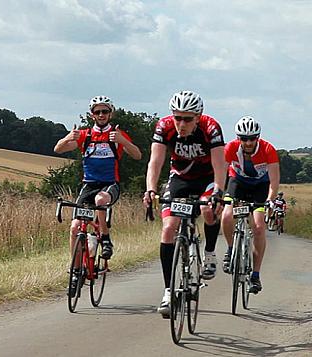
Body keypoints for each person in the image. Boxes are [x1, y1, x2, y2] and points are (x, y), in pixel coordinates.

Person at [143, 90, 226, 318]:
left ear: (198, 117)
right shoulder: (164, 127)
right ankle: (168, 291)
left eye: (187, 119)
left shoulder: (211, 128)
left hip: (207, 178)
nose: (181, 123)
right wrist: (150, 189)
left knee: (208, 210)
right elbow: (155, 161)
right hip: (179, 178)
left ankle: (209, 253)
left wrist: (218, 191)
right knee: (169, 228)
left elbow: (221, 164)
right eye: (177, 117)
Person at [54, 95, 141, 269]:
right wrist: (68, 137)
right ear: (92, 114)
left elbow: (138, 155)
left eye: (105, 111)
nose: (101, 115)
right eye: (97, 112)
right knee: (75, 227)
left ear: (111, 114)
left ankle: (106, 239)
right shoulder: (85, 135)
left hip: (109, 184)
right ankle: (75, 269)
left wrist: (122, 141)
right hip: (89, 185)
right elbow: (58, 149)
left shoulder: (116, 135)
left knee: (100, 200)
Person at [220, 116, 280, 294]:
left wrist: (270, 199)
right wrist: (217, 193)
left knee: (259, 227)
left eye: (252, 138)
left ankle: (255, 274)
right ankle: (231, 249)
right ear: (238, 138)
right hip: (236, 183)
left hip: (259, 187)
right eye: (243, 139)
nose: (247, 142)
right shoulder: (230, 148)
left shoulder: (268, 149)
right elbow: (221, 171)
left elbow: (274, 181)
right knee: (227, 214)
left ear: (258, 137)